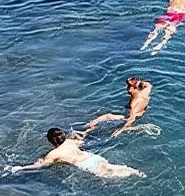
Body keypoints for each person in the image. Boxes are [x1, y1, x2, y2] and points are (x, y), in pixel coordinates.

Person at [8, 127, 143, 179]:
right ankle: (133, 171)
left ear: (51, 141)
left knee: (108, 176)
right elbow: (83, 141)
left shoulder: (54, 153)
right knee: (110, 166)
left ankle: (131, 174)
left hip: (85, 164)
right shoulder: (72, 142)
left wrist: (21, 168)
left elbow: (40, 166)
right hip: (92, 157)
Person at [84, 77, 153, 137]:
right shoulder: (145, 92)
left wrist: (120, 131)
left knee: (108, 116)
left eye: (129, 87)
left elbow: (131, 119)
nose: (127, 89)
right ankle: (89, 126)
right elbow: (149, 85)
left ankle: (88, 128)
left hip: (133, 117)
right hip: (141, 112)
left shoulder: (134, 104)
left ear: (135, 88)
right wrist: (138, 82)